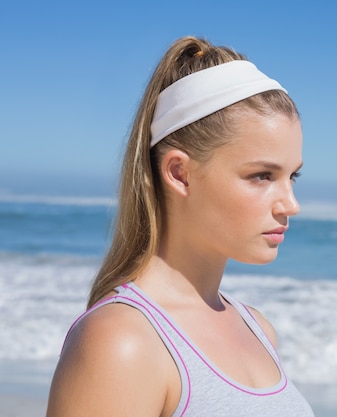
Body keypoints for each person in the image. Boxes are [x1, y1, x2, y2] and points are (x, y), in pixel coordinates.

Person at [46, 36, 314, 417]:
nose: (291, 204)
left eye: (293, 177)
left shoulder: (258, 329)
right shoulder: (123, 342)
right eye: (261, 176)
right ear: (180, 173)